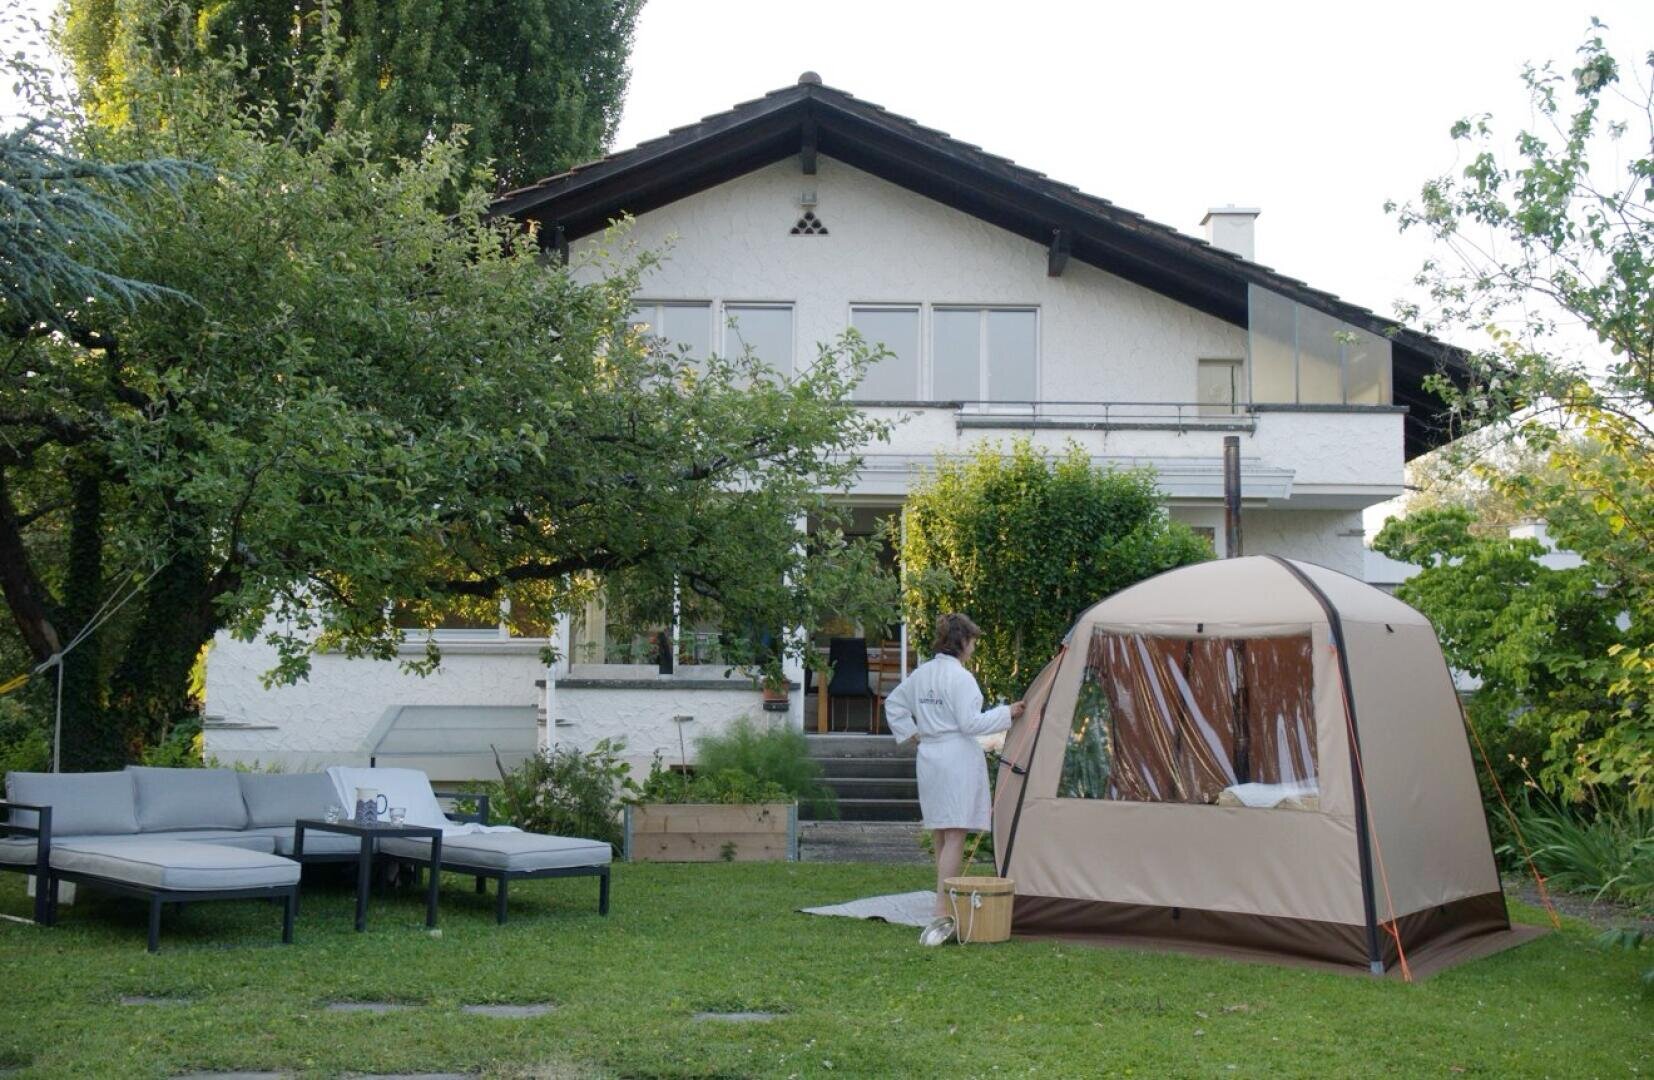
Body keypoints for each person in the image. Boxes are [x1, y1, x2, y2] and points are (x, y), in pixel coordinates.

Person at [883, 613, 1024, 933]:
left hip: (930, 755)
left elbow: (894, 703)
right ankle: (942, 904)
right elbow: (970, 724)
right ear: (962, 641)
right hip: (955, 757)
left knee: (940, 831)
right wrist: (1008, 713)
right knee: (955, 833)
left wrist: (913, 733)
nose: (973, 647)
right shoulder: (960, 679)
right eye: (972, 641)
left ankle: (942, 898)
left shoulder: (923, 674)